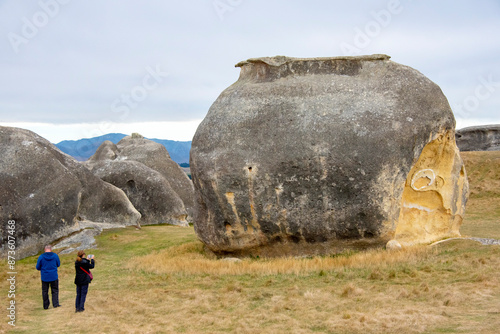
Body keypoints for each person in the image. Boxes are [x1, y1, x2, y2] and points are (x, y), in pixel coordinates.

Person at [36, 245, 61, 309]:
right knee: (55, 290)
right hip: (54, 276)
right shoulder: (55, 256)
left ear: (45, 249)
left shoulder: (41, 257)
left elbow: (37, 267)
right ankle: (55, 304)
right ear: (51, 249)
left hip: (45, 277)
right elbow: (58, 264)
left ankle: (46, 305)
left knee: (45, 291)